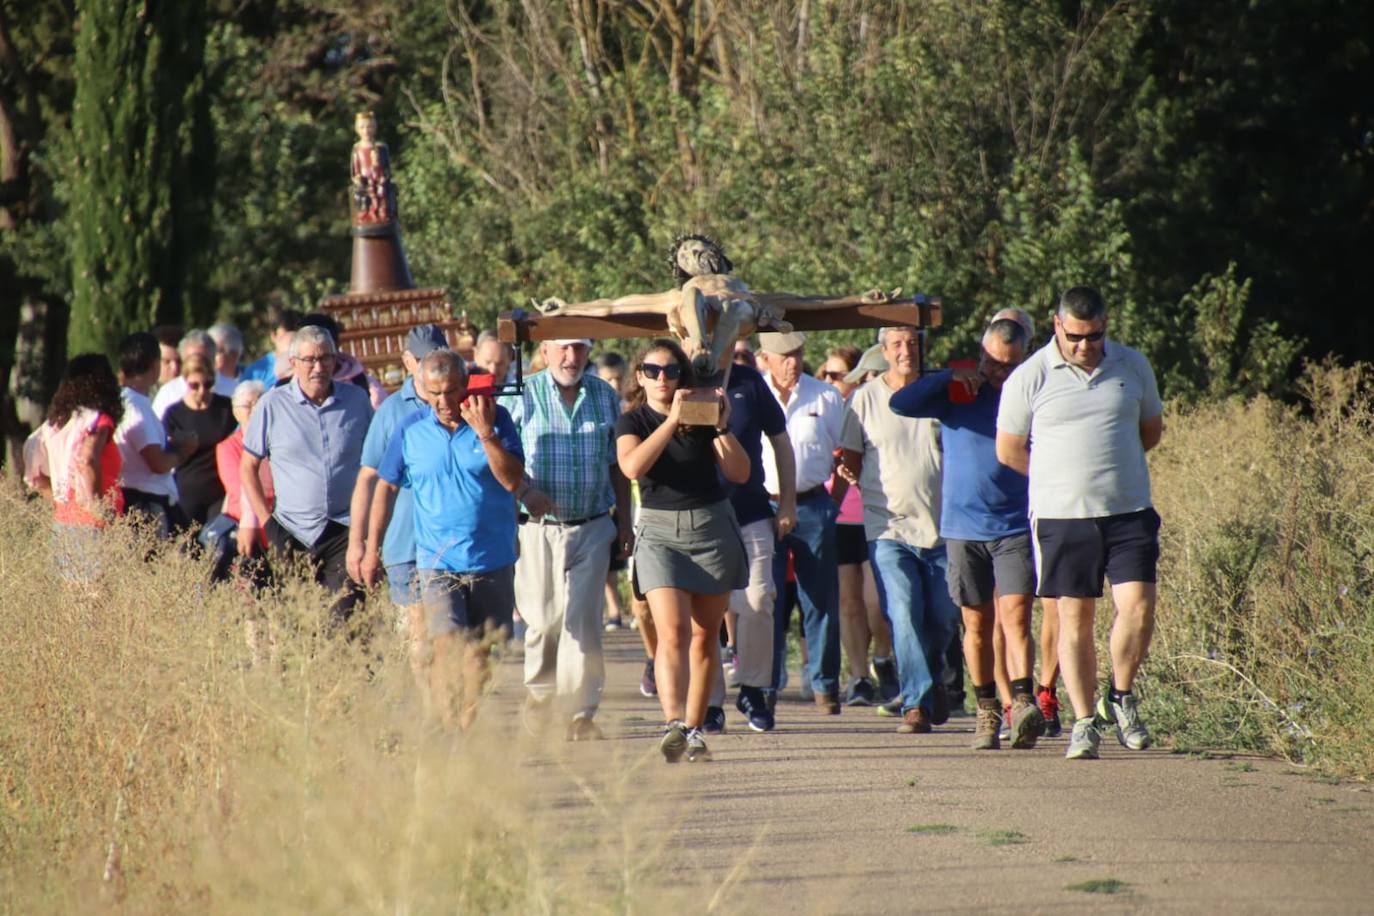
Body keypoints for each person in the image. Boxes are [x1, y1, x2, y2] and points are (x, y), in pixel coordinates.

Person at [996, 286, 1164, 760]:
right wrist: (1058, 474)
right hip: (1061, 515)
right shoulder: (1029, 377)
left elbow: (1149, 432)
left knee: (1137, 607)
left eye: (1094, 337)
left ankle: (1121, 696)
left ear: (1106, 327)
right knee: (1074, 618)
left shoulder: (1132, 365)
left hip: (1128, 509)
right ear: (1056, 325)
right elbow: (1008, 449)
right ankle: (1084, 721)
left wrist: (1110, 469)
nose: (1085, 346)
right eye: (1075, 336)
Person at [891, 317, 1045, 750]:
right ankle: (986, 711)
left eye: (1009, 365)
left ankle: (1023, 702)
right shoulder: (958, 393)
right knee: (976, 624)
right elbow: (901, 404)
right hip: (963, 527)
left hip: (1015, 522)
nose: (999, 374)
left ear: (1025, 358)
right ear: (981, 356)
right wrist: (947, 377)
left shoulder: (1034, 392)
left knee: (1016, 616)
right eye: (992, 363)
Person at [365, 350, 524, 730]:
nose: (443, 402)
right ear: (422, 390)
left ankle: (465, 727)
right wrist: (371, 548)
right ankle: (443, 724)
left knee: (483, 656)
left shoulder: (496, 419)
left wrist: (485, 434)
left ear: (465, 385)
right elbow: (384, 486)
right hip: (437, 562)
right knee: (446, 642)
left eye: (451, 391)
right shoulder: (410, 430)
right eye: (433, 393)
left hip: (492, 559)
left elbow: (513, 481)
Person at [616, 338, 750, 762]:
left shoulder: (703, 415)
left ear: (682, 377)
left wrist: (723, 426)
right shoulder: (632, 420)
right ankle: (673, 721)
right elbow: (633, 467)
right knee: (671, 631)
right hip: (658, 531)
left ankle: (694, 729)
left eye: (672, 371)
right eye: (653, 371)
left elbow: (739, 472)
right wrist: (672, 420)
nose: (662, 378)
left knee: (705, 635)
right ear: (640, 376)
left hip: (711, 527)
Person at [508, 338, 632, 741]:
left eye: (578, 349)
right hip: (538, 527)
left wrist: (625, 524)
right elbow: (501, 461)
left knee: (584, 622)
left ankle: (581, 713)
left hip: (593, 524)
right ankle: (541, 697)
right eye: (561, 349)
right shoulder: (522, 394)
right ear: (544, 352)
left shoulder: (603, 395)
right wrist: (522, 496)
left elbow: (618, 465)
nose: (570, 358)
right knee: (543, 621)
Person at [838, 326, 959, 735]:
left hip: (944, 526)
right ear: (884, 351)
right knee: (903, 611)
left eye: (912, 343)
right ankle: (917, 702)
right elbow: (850, 458)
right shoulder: (864, 400)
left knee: (942, 618)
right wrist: (844, 479)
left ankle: (932, 673)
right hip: (887, 526)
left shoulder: (939, 395)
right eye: (897, 345)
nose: (906, 351)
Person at [241, 324, 374, 630]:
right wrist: (266, 522)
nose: (318, 367)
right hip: (292, 530)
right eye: (310, 360)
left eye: (326, 358)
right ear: (294, 363)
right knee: (297, 626)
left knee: (344, 623)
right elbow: (248, 466)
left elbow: (374, 464)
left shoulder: (357, 401)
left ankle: (344, 677)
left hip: (345, 528)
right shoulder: (272, 405)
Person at [347, 324, 447, 711]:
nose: (431, 366)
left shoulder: (463, 401)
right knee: (419, 638)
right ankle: (430, 714)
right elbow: (367, 479)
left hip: (452, 545)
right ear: (408, 362)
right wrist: (360, 544)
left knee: (452, 637)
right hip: (405, 544)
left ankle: (447, 707)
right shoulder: (391, 412)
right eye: (423, 359)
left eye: (438, 356)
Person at [757, 331, 847, 714]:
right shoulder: (753, 394)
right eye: (783, 355)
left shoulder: (826, 396)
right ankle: (766, 684)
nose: (791, 362)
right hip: (763, 505)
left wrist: (833, 506)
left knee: (821, 598)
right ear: (765, 358)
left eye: (796, 353)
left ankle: (825, 684)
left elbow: (845, 454)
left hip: (813, 504)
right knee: (765, 598)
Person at [715, 338, 796, 732]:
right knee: (708, 611)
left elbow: (781, 440)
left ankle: (754, 688)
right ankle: (710, 702)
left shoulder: (749, 381)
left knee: (760, 598)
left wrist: (788, 504)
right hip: (701, 515)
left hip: (751, 511)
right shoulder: (680, 380)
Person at [817, 346, 894, 706]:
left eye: (839, 375)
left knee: (875, 600)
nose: (834, 382)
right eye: (830, 376)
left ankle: (883, 656)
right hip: (842, 514)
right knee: (848, 603)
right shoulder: (834, 410)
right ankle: (860, 677)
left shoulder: (881, 406)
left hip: (877, 513)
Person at [33, 354, 125, 584]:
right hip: (94, 526)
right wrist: (97, 507)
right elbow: (87, 458)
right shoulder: (98, 420)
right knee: (97, 608)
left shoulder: (59, 423)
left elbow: (34, 476)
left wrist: (61, 500)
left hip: (64, 524)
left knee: (72, 612)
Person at [114, 332, 195, 538]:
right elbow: (156, 462)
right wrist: (182, 451)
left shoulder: (120, 401)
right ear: (154, 365)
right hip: (144, 504)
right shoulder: (136, 406)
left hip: (131, 498)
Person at [205, 380, 273, 581]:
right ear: (236, 413)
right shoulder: (228, 447)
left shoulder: (277, 442)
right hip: (246, 528)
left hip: (278, 526)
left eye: (258, 404)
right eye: (247, 406)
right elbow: (239, 486)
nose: (253, 410)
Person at [162, 354, 238, 528]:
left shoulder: (225, 408)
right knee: (188, 547)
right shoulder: (174, 414)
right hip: (187, 492)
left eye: (208, 384)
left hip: (220, 491)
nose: (202, 391)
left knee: (217, 547)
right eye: (194, 386)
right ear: (185, 381)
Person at [595, 351, 631, 631]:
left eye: (619, 379)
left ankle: (633, 606)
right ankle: (613, 610)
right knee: (607, 560)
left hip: (632, 493)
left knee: (628, 555)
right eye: (609, 379)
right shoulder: (597, 405)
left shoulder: (631, 407)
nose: (615, 385)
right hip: (603, 496)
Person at [151, 329, 237, 418]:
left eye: (203, 360)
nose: (197, 365)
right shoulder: (169, 393)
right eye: (191, 360)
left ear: (213, 358)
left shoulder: (234, 390)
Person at [242, 310, 303, 385]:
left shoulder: (311, 365)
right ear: (273, 336)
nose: (291, 338)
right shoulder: (256, 372)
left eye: (298, 335)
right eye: (285, 335)